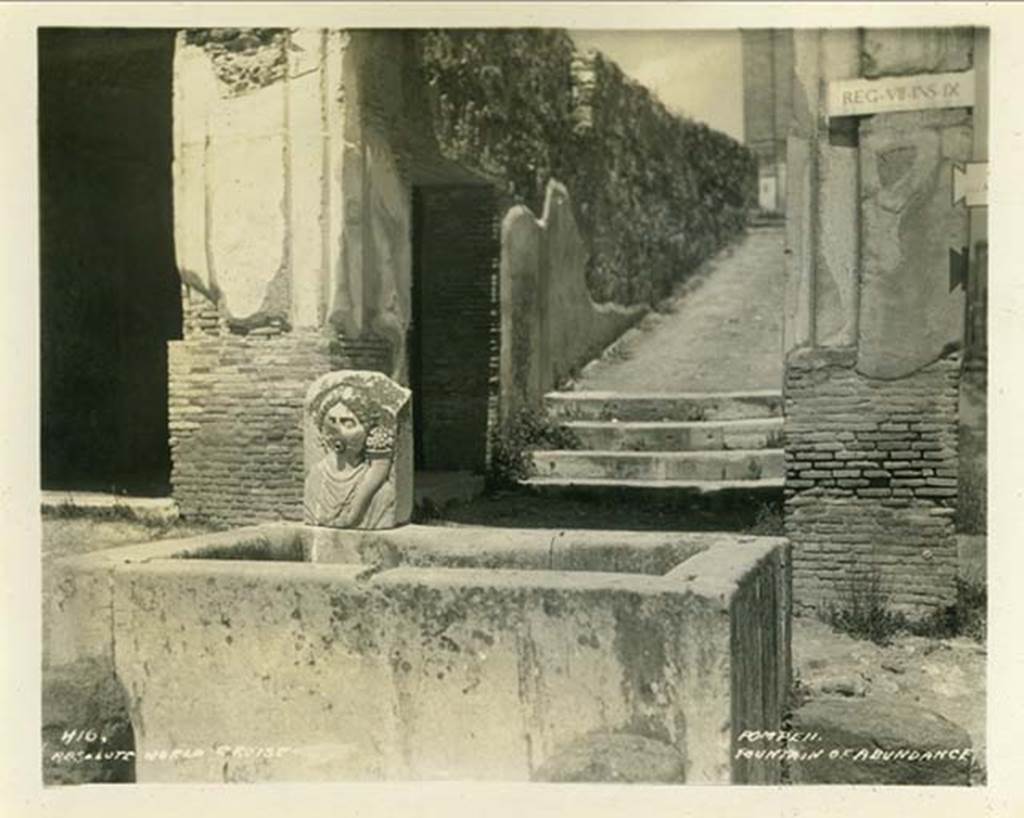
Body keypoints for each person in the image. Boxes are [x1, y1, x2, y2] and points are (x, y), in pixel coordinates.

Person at [303, 375, 403, 529]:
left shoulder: (381, 493)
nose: (339, 432)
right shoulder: (315, 478)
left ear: (367, 430)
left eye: (348, 423)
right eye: (331, 422)